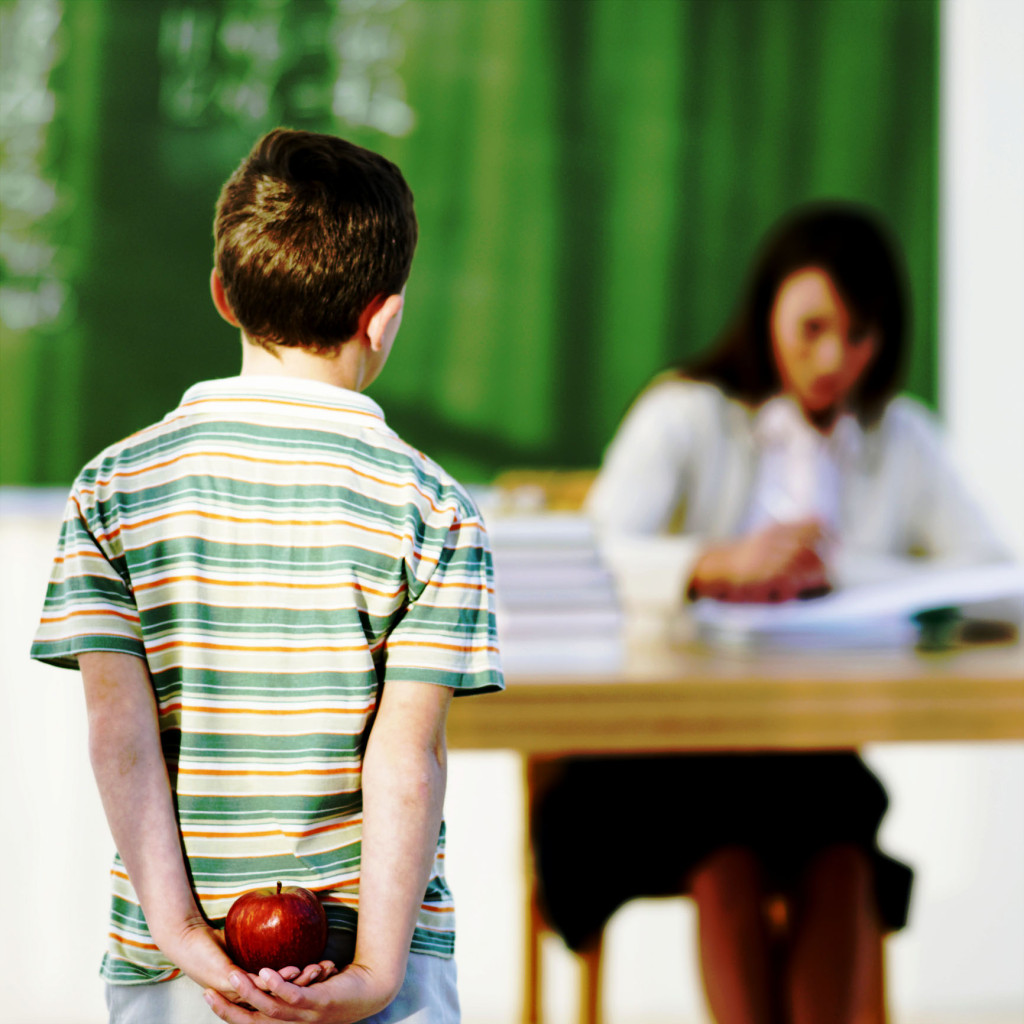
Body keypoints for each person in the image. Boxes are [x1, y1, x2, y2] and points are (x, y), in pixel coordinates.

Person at [31, 128, 504, 1024]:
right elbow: (407, 759)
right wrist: (371, 974)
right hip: (364, 966)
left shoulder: (112, 491)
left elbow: (119, 738)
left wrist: (182, 936)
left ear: (221, 294)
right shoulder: (435, 512)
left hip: (176, 966)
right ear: (385, 316)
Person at [531, 201, 1011, 1024]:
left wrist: (835, 574)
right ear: (768, 309)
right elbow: (594, 551)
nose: (833, 359)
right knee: (739, 846)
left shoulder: (900, 438)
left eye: (859, 337)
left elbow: (997, 581)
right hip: (654, 760)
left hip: (800, 754)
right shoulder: (685, 410)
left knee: (837, 850)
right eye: (814, 327)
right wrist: (714, 565)